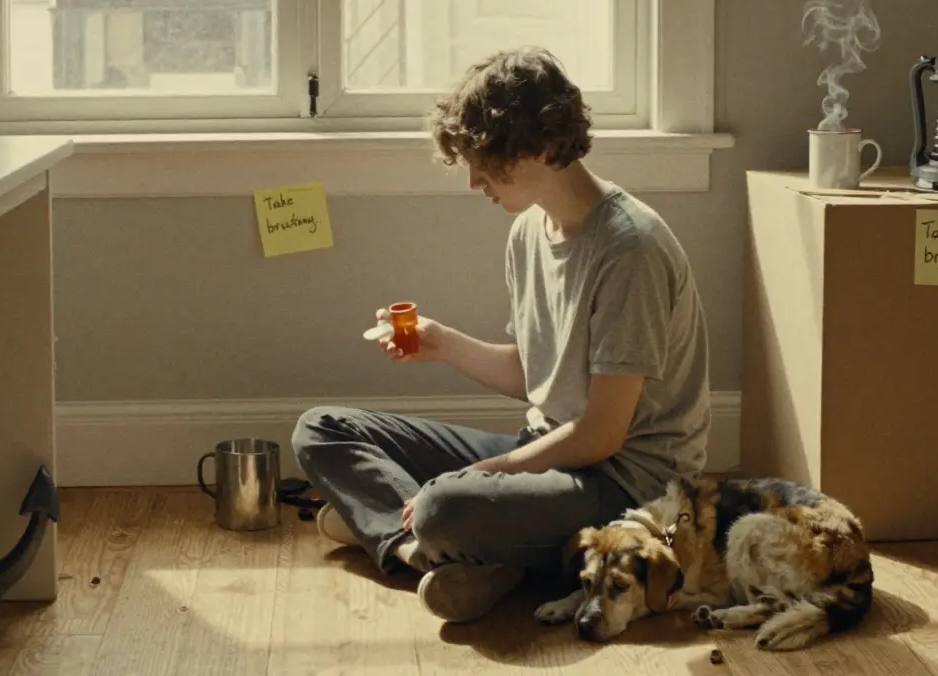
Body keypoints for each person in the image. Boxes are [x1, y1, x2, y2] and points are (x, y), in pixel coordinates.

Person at [291, 46, 711, 624]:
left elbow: (601, 434)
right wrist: (442, 343)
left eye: (484, 163)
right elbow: (535, 376)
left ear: (541, 147)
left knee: (440, 505)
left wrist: (487, 474)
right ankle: (456, 553)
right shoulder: (528, 232)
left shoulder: (630, 248)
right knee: (321, 429)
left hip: (627, 488)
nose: (473, 182)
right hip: (552, 449)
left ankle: (431, 538)